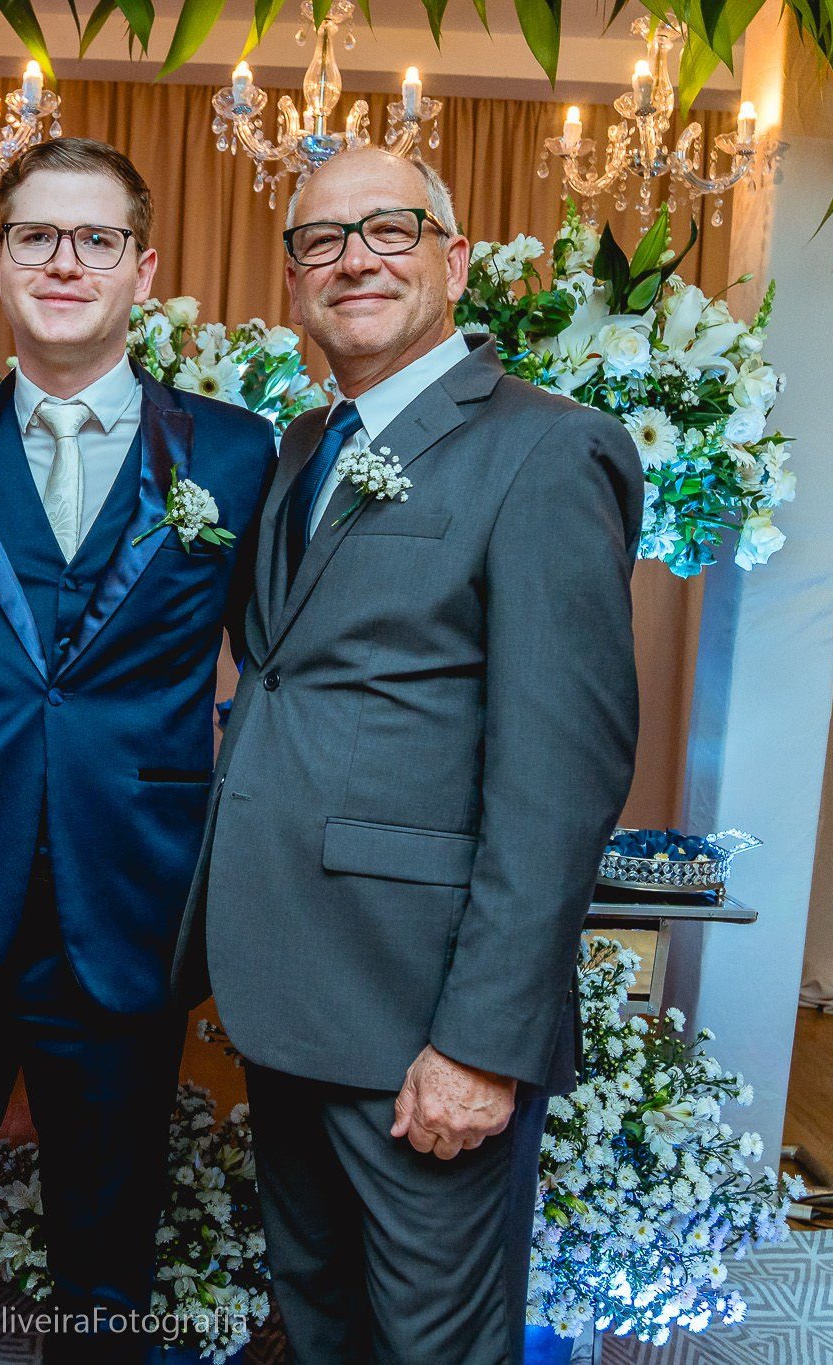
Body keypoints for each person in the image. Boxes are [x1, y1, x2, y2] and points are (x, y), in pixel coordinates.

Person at [171, 149, 643, 1363]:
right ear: (292, 282)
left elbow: (561, 774)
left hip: (421, 1016)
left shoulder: (547, 449)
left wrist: (481, 1042)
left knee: (435, 1341)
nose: (354, 259)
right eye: (320, 242)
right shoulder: (298, 450)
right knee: (322, 1321)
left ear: (454, 256)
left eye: (389, 228)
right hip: (288, 993)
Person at [0, 138, 279, 1363]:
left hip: (127, 902)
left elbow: (279, 669)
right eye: (36, 236)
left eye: (94, 239)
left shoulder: (239, 454)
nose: (64, 261)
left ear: (140, 269)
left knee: (108, 1248)